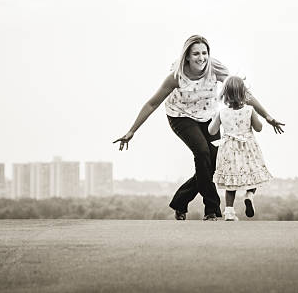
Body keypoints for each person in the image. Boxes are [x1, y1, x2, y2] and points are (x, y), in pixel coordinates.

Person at [113, 35, 284, 221]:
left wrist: (268, 116)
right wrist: (131, 131)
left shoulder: (215, 69)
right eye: (196, 54)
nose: (201, 57)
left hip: (208, 116)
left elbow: (244, 93)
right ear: (187, 56)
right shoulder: (176, 77)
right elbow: (152, 104)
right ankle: (211, 210)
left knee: (213, 163)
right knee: (202, 153)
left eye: (204, 53)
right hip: (180, 116)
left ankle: (180, 202)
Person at [208, 76, 274, 221]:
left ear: (225, 93)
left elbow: (211, 131)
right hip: (247, 148)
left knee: (230, 183)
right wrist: (256, 121)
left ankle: (229, 212)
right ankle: (249, 195)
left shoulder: (222, 112)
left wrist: (215, 119)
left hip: (229, 150)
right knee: (253, 175)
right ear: (243, 93)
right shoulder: (250, 110)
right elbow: (259, 128)